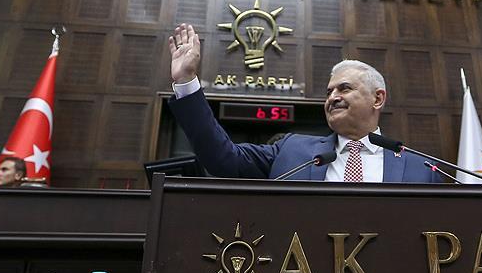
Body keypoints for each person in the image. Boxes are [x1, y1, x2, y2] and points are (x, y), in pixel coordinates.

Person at [166, 23, 442, 183]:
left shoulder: (422, 168)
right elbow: (222, 159)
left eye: (344, 88)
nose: (332, 98)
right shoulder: (292, 151)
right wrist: (187, 82)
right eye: (329, 92)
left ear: (377, 98)